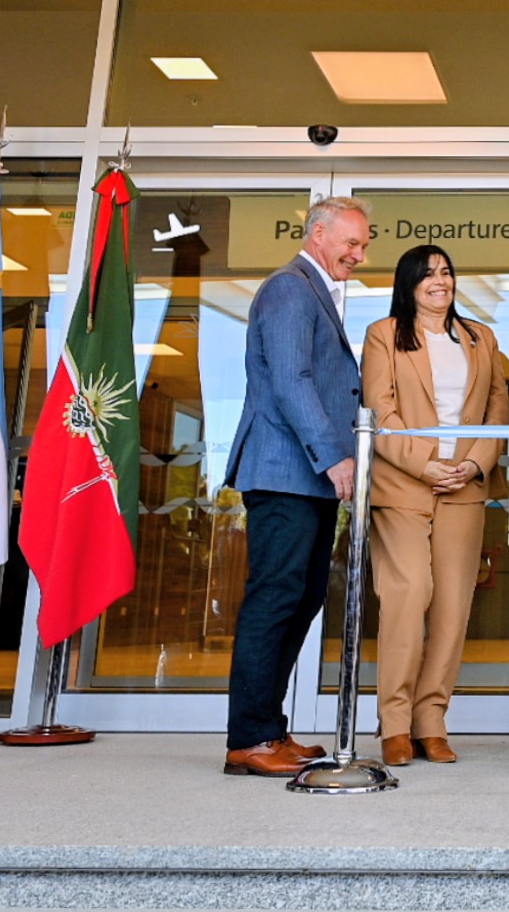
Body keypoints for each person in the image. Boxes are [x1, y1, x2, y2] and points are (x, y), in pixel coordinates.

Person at [221, 195, 369, 777]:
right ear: (317, 234)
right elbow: (292, 380)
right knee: (276, 598)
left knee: (300, 598)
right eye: (351, 243)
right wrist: (334, 456)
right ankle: (250, 739)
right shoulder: (290, 288)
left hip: (305, 479)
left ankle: (268, 729)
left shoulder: (312, 292)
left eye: (364, 245)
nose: (359, 255)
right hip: (287, 473)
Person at [361, 244, 509, 767]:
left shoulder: (480, 337)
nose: (439, 281)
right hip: (404, 485)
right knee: (408, 594)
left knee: (452, 606)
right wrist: (425, 463)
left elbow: (496, 413)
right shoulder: (384, 334)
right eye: (427, 275)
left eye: (446, 272)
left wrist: (472, 465)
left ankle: (431, 722)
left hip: (464, 486)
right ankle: (395, 723)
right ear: (409, 284)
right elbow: (380, 411)